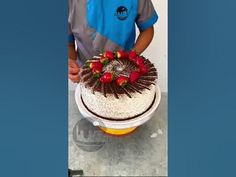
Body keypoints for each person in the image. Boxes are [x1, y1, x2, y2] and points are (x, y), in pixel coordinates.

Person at [68, 0, 158, 83]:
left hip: (125, 74)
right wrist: (71, 64)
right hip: (86, 75)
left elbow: (147, 30)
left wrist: (132, 55)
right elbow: (69, 44)